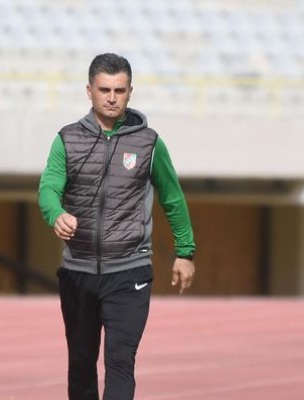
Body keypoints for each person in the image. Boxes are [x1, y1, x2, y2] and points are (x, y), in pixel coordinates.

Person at [38, 53, 196, 400]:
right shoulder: (67, 139)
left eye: (119, 91)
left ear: (130, 92)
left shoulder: (149, 143)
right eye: (104, 90)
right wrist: (56, 214)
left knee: (121, 361)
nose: (112, 98)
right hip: (78, 272)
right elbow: (48, 188)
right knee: (81, 363)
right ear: (89, 91)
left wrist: (185, 252)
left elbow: (173, 198)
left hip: (129, 273)